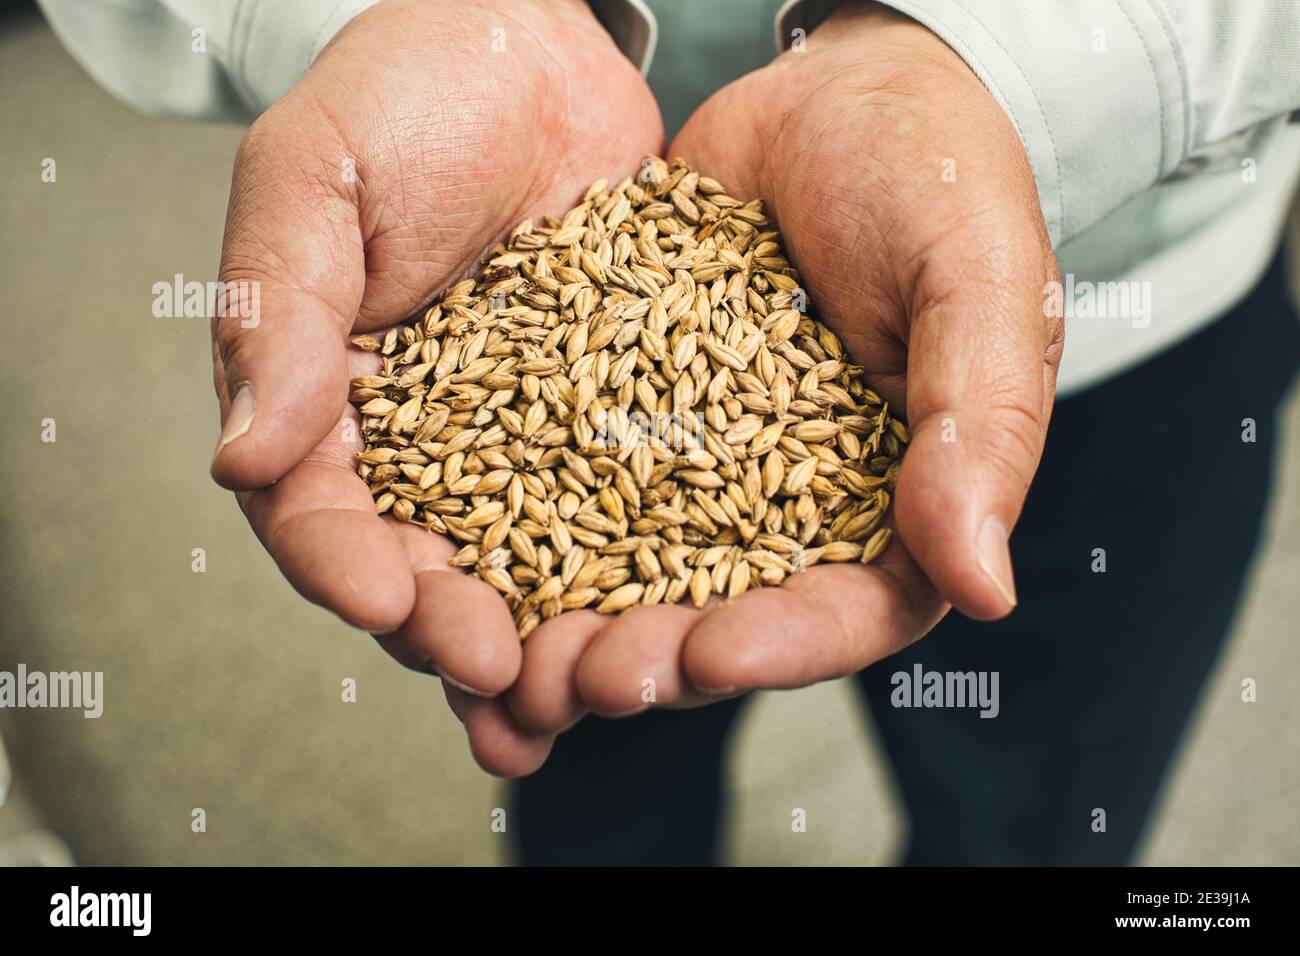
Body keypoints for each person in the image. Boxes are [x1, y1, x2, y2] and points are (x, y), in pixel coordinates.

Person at [38, 0, 1300, 864]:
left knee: (1038, 809)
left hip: (1128, 289)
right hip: (504, 181)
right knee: (592, 750)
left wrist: (1007, 64)